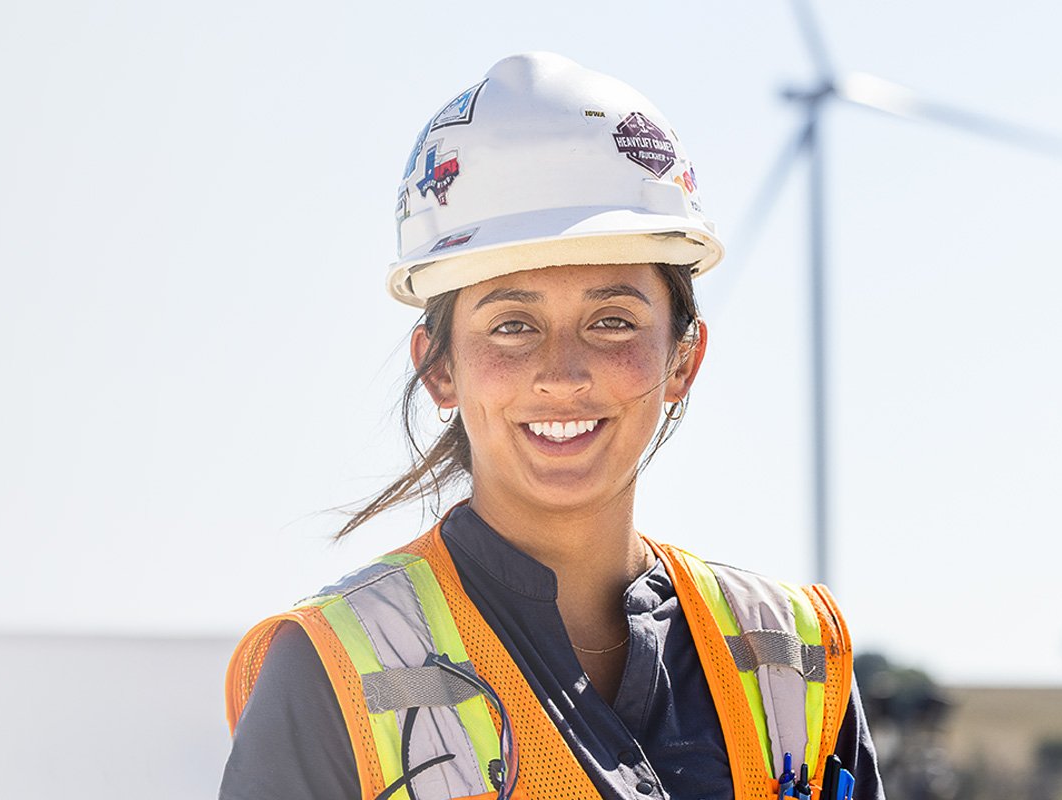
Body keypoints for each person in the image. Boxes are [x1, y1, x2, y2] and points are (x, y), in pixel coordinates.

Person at [219, 53, 886, 800]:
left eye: (611, 321)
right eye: (512, 325)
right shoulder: (336, 670)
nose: (563, 374)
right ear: (439, 367)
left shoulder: (791, 661)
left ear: (682, 361)